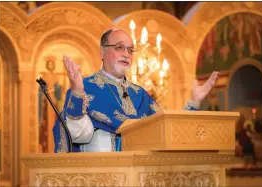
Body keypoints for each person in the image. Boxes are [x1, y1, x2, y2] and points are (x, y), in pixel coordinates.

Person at [53, 28, 219, 153]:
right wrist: (76, 91)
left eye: (130, 50)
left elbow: (165, 130)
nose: (126, 54)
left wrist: (194, 102)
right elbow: (78, 135)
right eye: (119, 48)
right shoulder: (86, 88)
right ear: (102, 52)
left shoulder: (139, 94)